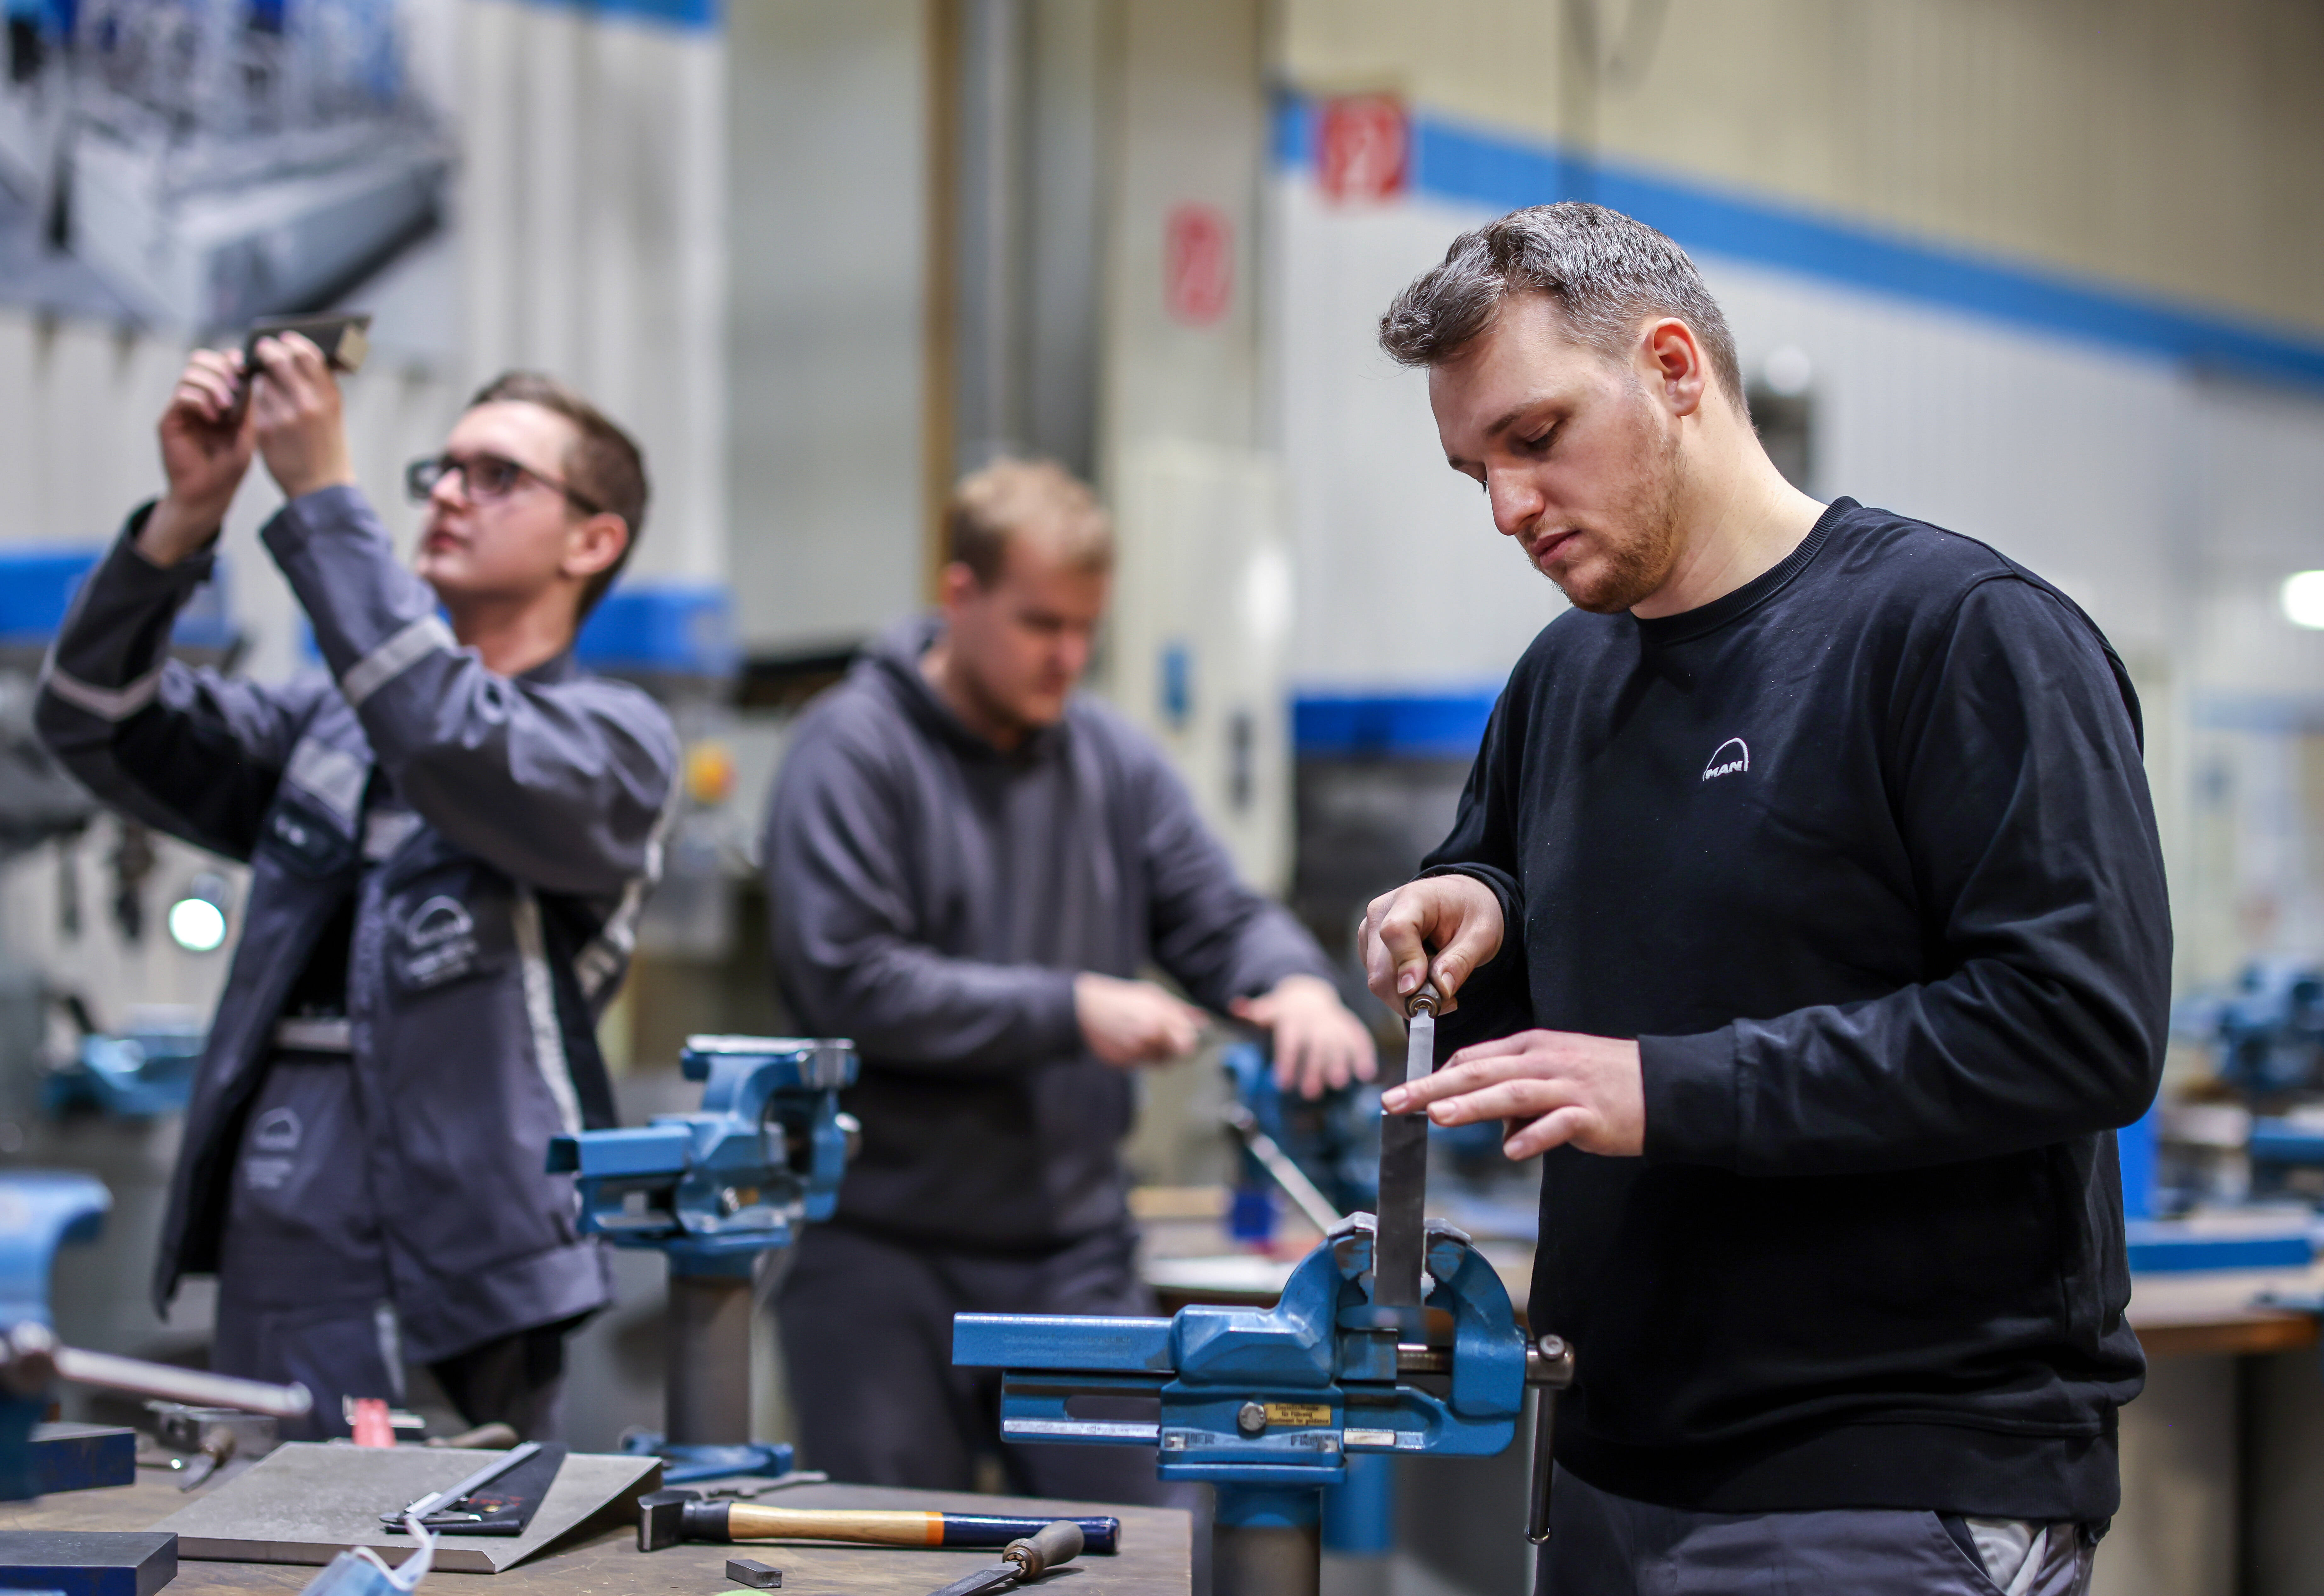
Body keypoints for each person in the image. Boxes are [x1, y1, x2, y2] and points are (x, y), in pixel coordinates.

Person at [1357, 204, 2168, 1594]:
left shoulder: (1955, 633)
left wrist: (1672, 1090)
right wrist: (1469, 909)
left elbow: (2074, 1023)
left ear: (1673, 369)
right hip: (1611, 1466)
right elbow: (1538, 947)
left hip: (1883, 1486)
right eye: (1472, 469)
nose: (1504, 507)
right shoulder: (1564, 678)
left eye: (1534, 437)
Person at [38, 338, 678, 1440]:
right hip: (282, 1239)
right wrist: (183, 523)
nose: (450, 498)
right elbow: (91, 719)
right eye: (444, 470)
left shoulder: (611, 748)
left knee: (434, 1557)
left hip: (464, 1271)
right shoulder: (326, 728)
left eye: (499, 477)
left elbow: (447, 733)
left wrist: (326, 499)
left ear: (594, 539)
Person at [764, 456, 1376, 1498]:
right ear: (960, 596)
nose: (1069, 657)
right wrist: (1071, 1008)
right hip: (878, 1257)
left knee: (1137, 1559)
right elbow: (851, 980)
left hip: (1068, 1260)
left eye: (1087, 629)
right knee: (878, 1568)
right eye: (1040, 624)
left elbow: (1215, 913)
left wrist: (1296, 984)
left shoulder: (1109, 760)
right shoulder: (849, 753)